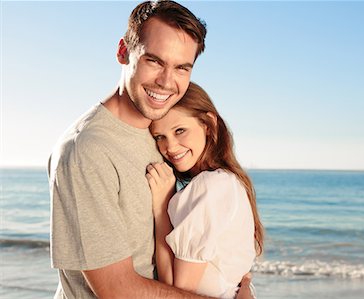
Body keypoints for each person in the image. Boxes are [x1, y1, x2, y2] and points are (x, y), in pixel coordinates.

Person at [48, 1, 253, 298]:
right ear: (123, 52)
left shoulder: (160, 132)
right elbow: (117, 290)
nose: (167, 82)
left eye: (182, 67)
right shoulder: (86, 152)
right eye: (154, 61)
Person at [146, 82, 264, 298]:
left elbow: (176, 291)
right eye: (159, 137)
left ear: (208, 123)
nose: (170, 147)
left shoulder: (210, 186)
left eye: (180, 130)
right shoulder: (228, 181)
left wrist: (161, 209)